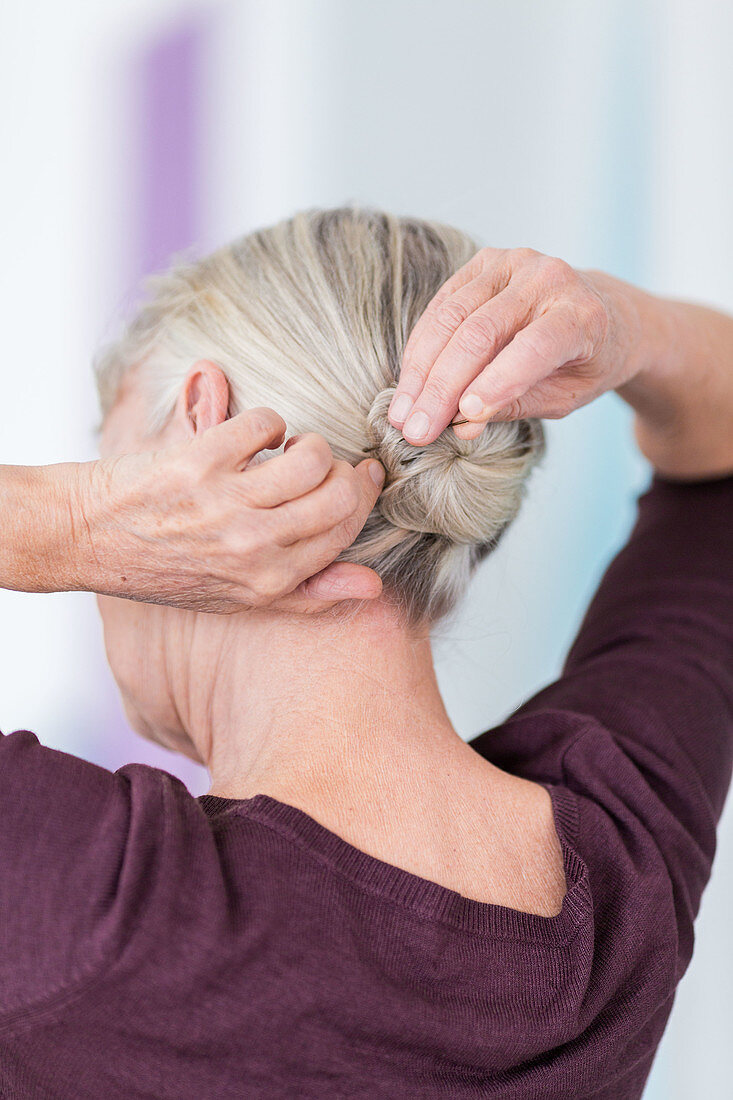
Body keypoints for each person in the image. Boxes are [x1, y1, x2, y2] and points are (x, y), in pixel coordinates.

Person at [0, 205, 730, 1100]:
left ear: (202, 427)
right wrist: (631, 326)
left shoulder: (87, 894)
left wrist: (69, 524)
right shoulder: (622, 869)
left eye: (108, 469)